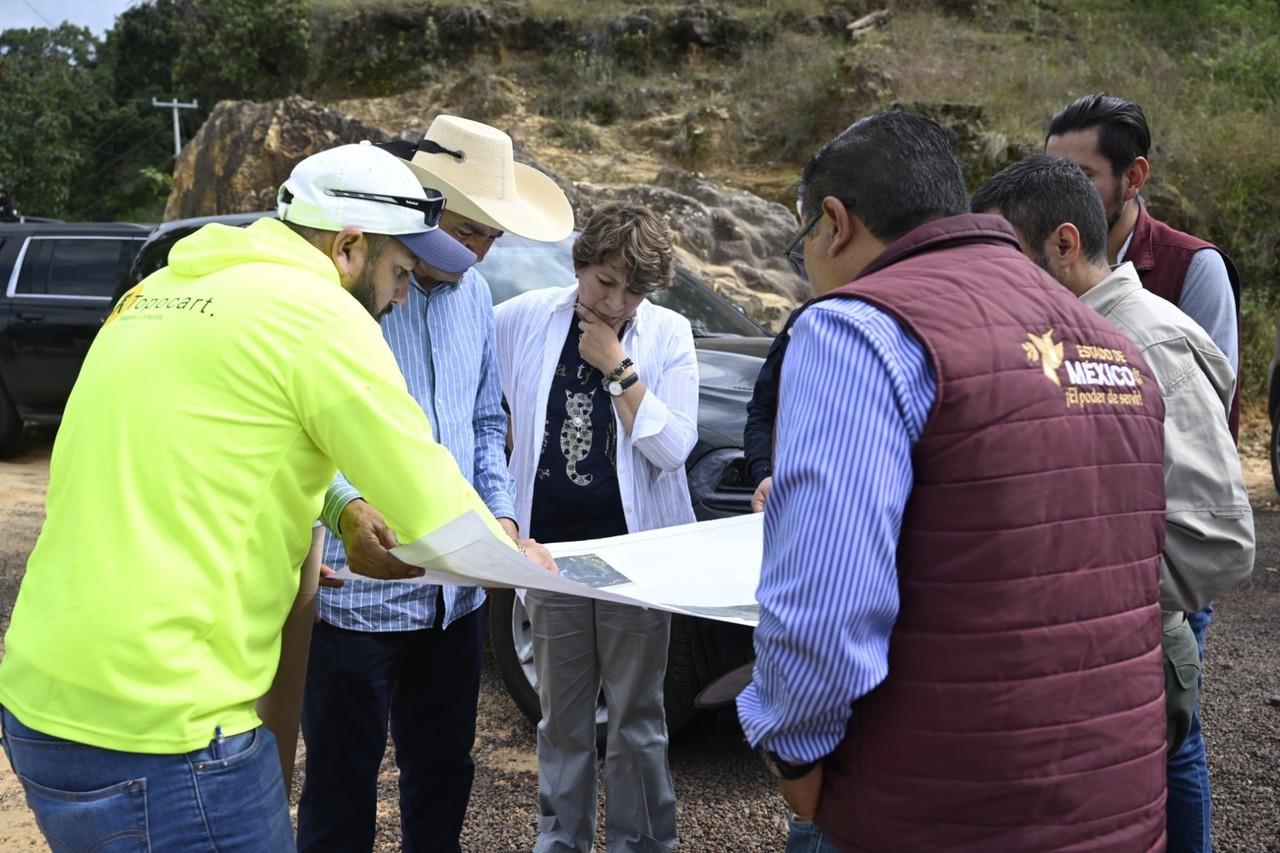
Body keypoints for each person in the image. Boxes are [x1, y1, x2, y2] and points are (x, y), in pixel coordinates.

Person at [0, 142, 552, 852]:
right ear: (348, 247)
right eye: (401, 271)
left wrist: (338, 509)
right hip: (168, 733)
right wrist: (521, 561)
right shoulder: (317, 313)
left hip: (43, 706)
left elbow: (233, 437)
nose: (406, 294)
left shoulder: (160, 293)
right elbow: (429, 499)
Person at [737, 111, 1169, 852]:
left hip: (939, 809)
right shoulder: (1113, 346)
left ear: (834, 223)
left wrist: (792, 753)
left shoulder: (857, 328)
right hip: (1116, 801)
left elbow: (825, 612)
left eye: (799, 239)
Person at [297, 117, 574, 853]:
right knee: (338, 787)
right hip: (358, 596)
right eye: (464, 230)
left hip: (451, 597)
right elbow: (308, 433)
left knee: (444, 773)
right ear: (417, 211)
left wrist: (503, 524)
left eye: (490, 236)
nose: (476, 251)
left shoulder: (475, 300)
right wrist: (342, 512)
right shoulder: (346, 296)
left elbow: (485, 424)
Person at [972, 152, 1254, 759]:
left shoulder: (1152, 343)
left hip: (1132, 658)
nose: (988, 284)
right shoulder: (1055, 340)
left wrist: (1057, 586)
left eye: (1002, 261)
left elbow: (1217, 543)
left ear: (1065, 244)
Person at [1047, 93, 1240, 852]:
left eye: (1083, 173)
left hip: (1159, 542)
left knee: (1173, 735)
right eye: (1051, 171)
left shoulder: (1191, 267)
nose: (1064, 188)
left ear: (1135, 176)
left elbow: (1210, 419)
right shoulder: (1043, 264)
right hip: (1081, 545)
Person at [494, 201, 696, 853]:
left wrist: (617, 365)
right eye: (606, 282)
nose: (616, 301)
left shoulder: (665, 334)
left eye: (633, 289)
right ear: (581, 264)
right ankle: (560, 841)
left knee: (638, 718)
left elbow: (673, 450)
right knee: (563, 719)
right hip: (551, 553)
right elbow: (479, 398)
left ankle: (643, 844)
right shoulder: (527, 317)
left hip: (636, 558)